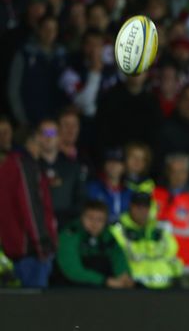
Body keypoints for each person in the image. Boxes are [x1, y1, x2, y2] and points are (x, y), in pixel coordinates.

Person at [0, 127, 58, 288]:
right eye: (38, 138)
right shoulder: (24, 165)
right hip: (30, 251)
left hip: (18, 249)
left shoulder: (10, 165)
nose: (41, 144)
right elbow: (31, 207)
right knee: (35, 308)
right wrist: (41, 244)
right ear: (30, 142)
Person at [54, 200, 133, 288]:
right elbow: (72, 271)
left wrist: (124, 275)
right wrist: (105, 281)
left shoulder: (106, 235)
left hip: (99, 287)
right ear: (81, 217)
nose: (94, 224)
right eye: (90, 218)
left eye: (100, 220)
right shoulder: (69, 235)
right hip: (69, 288)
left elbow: (118, 256)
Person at [111, 192, 183, 289]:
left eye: (146, 207)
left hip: (165, 288)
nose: (142, 210)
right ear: (130, 207)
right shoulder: (117, 231)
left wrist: (178, 276)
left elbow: (172, 257)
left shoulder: (161, 231)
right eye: (138, 206)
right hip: (132, 289)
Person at [38, 118, 88, 227]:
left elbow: (80, 199)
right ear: (38, 137)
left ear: (59, 136)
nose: (49, 137)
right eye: (44, 132)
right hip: (37, 227)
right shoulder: (28, 168)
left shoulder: (73, 167)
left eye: (53, 133)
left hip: (67, 228)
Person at [87, 148, 131, 223]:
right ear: (104, 165)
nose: (113, 166)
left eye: (118, 163)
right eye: (110, 162)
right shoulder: (92, 188)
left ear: (124, 167)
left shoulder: (129, 193)